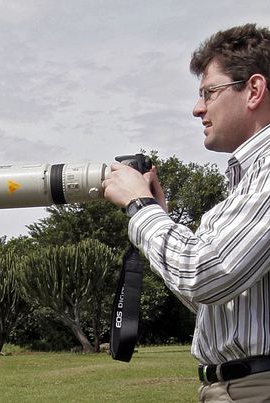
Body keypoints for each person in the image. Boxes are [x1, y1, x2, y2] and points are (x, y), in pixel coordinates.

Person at [103, 23, 270, 402]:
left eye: (209, 93)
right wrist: (159, 217)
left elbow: (207, 275)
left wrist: (142, 208)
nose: (198, 108)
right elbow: (212, 300)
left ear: (254, 90)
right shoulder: (248, 181)